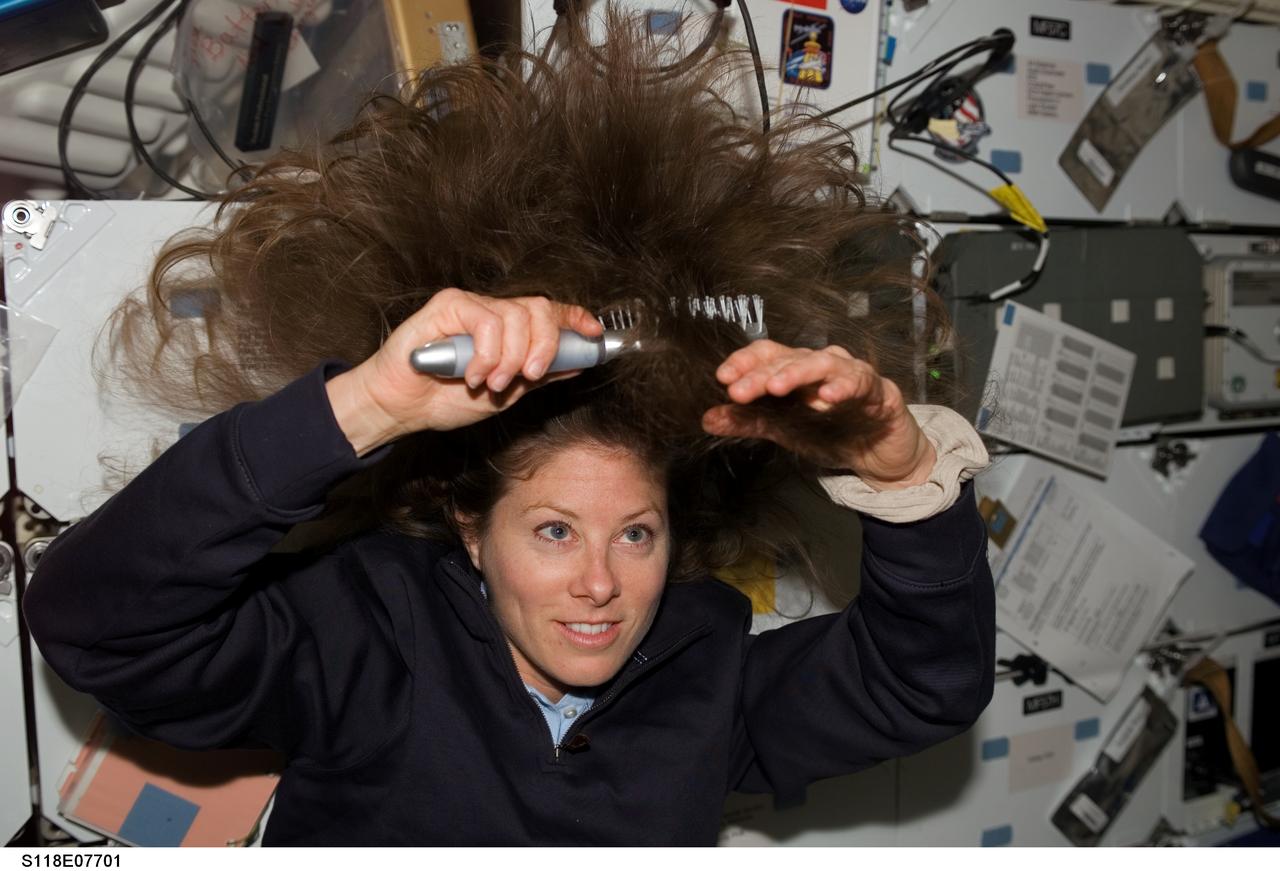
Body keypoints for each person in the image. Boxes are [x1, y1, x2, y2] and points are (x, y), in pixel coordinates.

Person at [22, 11, 994, 846]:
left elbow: (919, 687)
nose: (600, 584)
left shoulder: (703, 673)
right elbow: (95, 624)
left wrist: (901, 475)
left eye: (635, 533)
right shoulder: (363, 641)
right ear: (468, 527)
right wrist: (368, 404)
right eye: (554, 529)